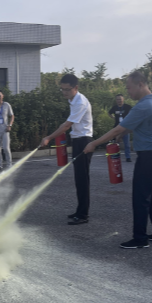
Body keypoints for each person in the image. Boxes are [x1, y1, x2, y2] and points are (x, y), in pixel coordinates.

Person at [84, 71, 152, 249]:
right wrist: (124, 132)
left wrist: (93, 144)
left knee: (141, 197)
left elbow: (116, 129)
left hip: (149, 156)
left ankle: (140, 239)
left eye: (129, 88)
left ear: (140, 84)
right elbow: (143, 123)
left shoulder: (142, 107)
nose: (128, 92)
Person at [40, 74, 93, 225]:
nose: (64, 93)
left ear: (75, 88)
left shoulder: (80, 102)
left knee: (82, 179)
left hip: (84, 142)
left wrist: (49, 137)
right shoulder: (73, 100)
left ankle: (83, 215)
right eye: (62, 89)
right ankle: (80, 210)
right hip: (78, 140)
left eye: (67, 90)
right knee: (79, 178)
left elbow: (66, 126)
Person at [108, 94, 132, 162]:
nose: (119, 101)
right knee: (115, 142)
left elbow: (133, 112)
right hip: (117, 127)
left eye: (120, 99)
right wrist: (113, 118)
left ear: (123, 99)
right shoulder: (115, 108)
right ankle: (115, 156)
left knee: (126, 143)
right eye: (118, 99)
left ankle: (128, 157)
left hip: (125, 127)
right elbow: (109, 113)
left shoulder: (127, 107)